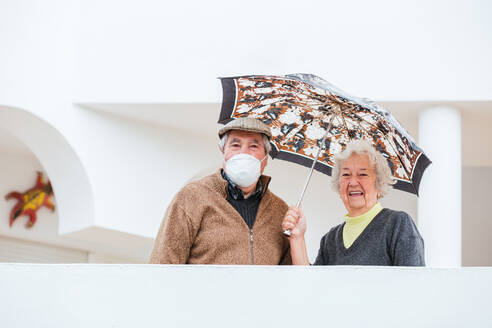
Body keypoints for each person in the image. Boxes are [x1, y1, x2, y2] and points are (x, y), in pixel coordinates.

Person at [150, 117, 291, 264]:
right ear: (223, 151)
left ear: (266, 157)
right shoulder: (192, 197)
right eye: (235, 145)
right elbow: (163, 264)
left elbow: (289, 278)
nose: (244, 153)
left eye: (254, 147)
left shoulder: (280, 211)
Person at [282, 139, 425, 266]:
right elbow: (312, 286)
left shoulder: (398, 224)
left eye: (363, 174)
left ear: (379, 185)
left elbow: (414, 286)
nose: (353, 182)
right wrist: (297, 238)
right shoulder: (330, 239)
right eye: (346, 174)